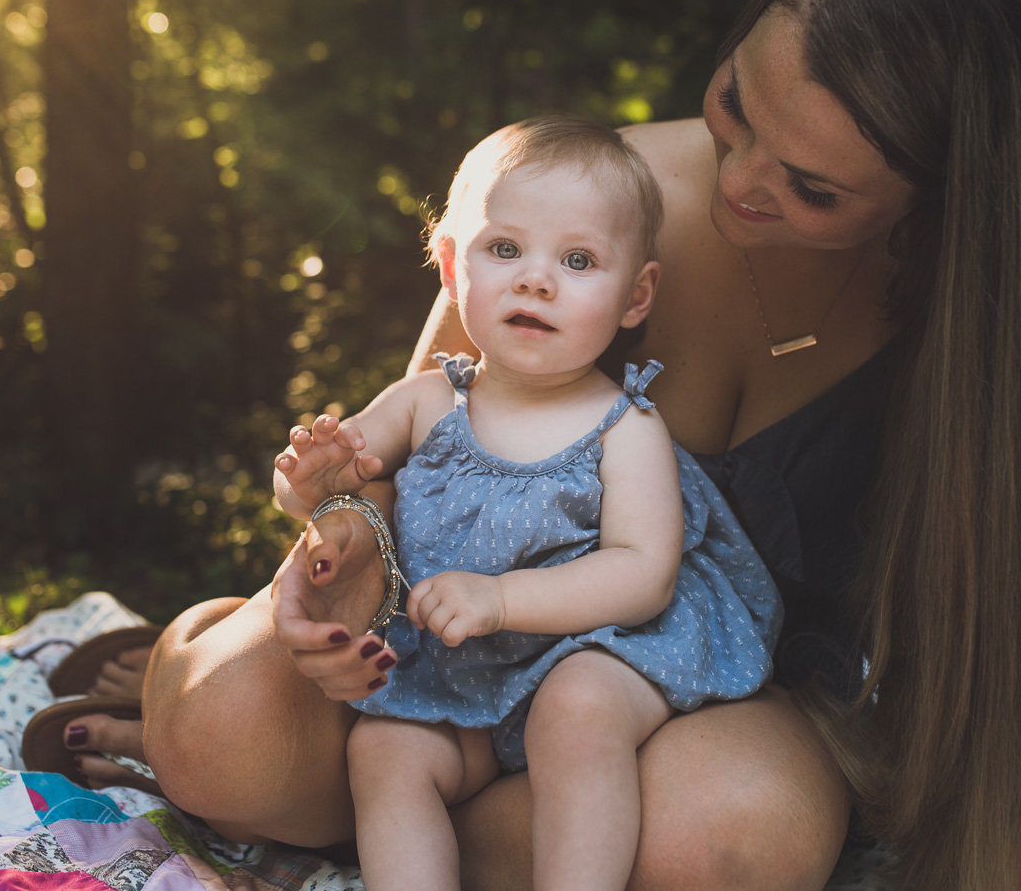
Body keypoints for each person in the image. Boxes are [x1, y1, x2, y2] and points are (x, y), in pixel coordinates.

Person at [56, 0, 1021, 889]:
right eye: (734, 108)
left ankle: (389, 823)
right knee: (223, 737)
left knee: (738, 836)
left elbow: (958, 662)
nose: (742, 183)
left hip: (700, 701)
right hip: (457, 652)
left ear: (939, 199)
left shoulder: (974, 343)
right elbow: (420, 433)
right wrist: (344, 539)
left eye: (813, 187)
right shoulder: (592, 209)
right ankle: (299, 751)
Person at [270, 115, 780, 891]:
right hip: (460, 671)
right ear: (450, 266)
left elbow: (645, 573)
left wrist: (503, 596)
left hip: (594, 649)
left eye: (578, 260)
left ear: (636, 296)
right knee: (384, 750)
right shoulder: (425, 400)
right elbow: (331, 488)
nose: (536, 278)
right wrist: (307, 481)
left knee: (575, 711)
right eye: (505, 249)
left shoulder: (625, 425)